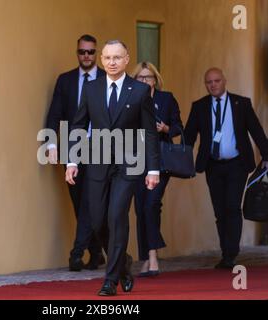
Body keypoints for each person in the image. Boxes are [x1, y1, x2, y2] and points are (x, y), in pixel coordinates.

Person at [66, 40, 160, 296]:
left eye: (117, 57)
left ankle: (109, 281)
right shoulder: (91, 88)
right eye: (107, 58)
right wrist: (73, 161)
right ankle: (123, 266)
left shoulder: (139, 91)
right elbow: (78, 125)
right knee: (98, 221)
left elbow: (149, 133)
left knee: (117, 216)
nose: (111, 62)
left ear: (126, 59)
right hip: (97, 162)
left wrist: (153, 170)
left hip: (128, 165)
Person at [184, 68, 268, 269]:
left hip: (237, 164)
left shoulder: (241, 104)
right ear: (205, 84)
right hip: (212, 165)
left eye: (216, 81)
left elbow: (256, 130)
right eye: (209, 82)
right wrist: (178, 158)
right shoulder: (199, 106)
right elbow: (188, 137)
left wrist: (267, 156)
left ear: (224, 81)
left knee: (232, 207)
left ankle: (230, 254)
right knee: (220, 210)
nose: (213, 85)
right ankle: (226, 250)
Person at [46, 34, 105, 271]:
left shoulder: (108, 78)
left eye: (91, 52)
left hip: (102, 148)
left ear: (96, 53)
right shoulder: (66, 80)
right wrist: (51, 144)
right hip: (73, 149)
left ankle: (77, 253)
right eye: (82, 52)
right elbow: (54, 114)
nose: (87, 56)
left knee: (90, 201)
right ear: (77, 53)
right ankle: (96, 251)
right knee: (78, 200)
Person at [132, 62, 183, 277]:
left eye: (148, 77)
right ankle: (146, 258)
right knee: (140, 208)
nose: (144, 81)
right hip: (135, 160)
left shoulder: (166, 99)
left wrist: (165, 128)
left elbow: (180, 127)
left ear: (155, 79)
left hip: (160, 161)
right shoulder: (129, 99)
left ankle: (152, 257)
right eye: (140, 78)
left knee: (151, 204)